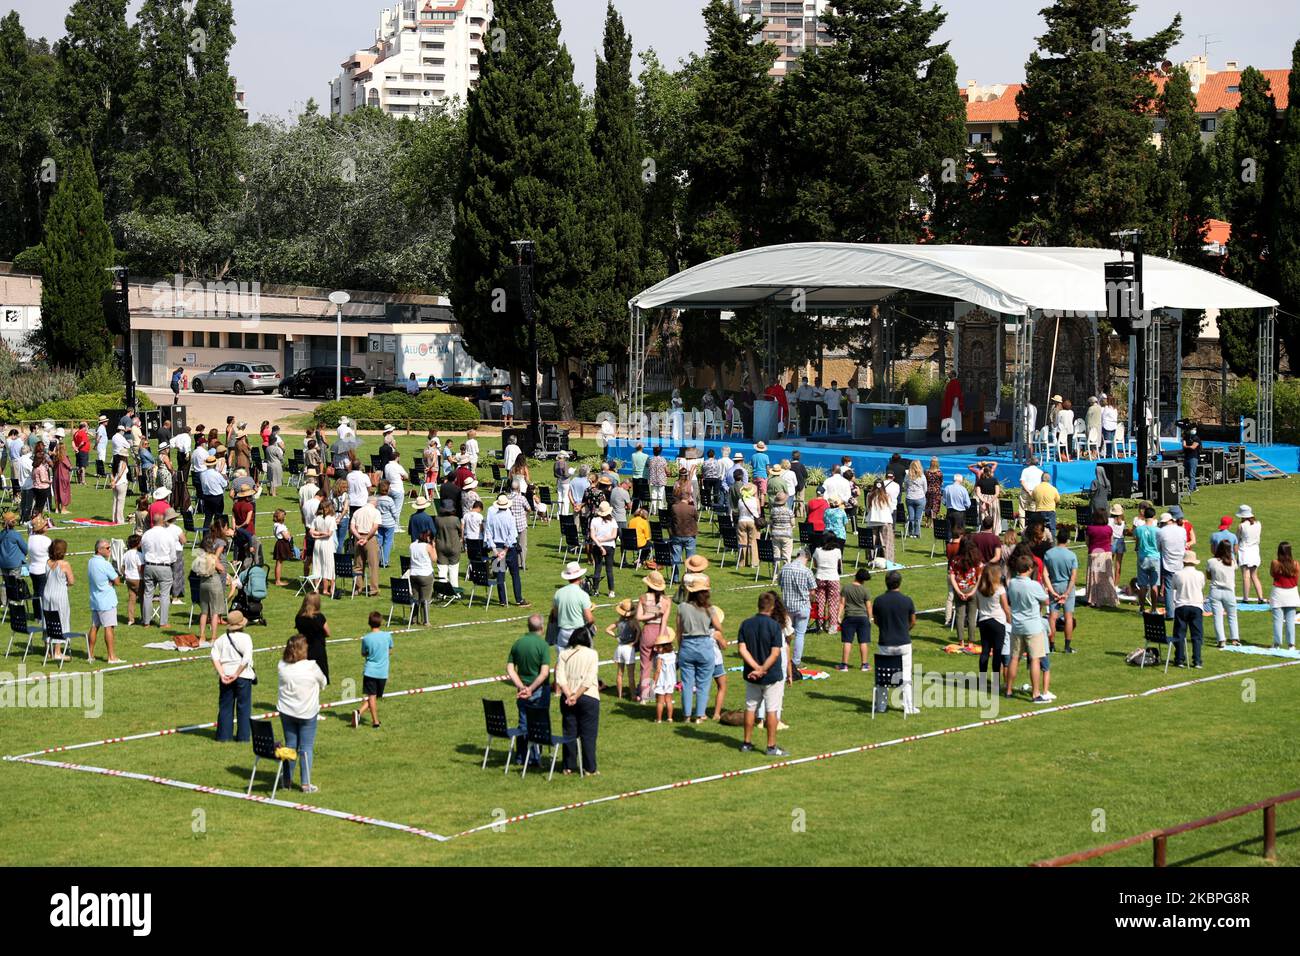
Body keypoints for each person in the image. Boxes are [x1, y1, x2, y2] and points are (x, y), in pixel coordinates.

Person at [738, 591, 787, 755]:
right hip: (771, 675)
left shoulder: (746, 624)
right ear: (772, 608)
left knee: (750, 708)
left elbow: (742, 649)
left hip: (752, 675)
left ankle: (746, 743)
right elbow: (775, 653)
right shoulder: (774, 626)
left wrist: (755, 668)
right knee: (771, 710)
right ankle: (771, 746)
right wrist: (762, 669)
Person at [277, 635, 327, 793]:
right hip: (306, 713)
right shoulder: (311, 666)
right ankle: (305, 784)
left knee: (290, 745)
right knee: (306, 747)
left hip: (286, 711)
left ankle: (287, 781)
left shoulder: (282, 665)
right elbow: (323, 682)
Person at [674, 575, 725, 724]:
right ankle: (699, 715)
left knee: (687, 683)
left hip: (687, 646)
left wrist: (681, 646)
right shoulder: (709, 609)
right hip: (704, 646)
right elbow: (719, 627)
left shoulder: (682, 607)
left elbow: (679, 631)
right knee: (703, 683)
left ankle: (686, 715)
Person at [506, 614, 551, 767]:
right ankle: (534, 759)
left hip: (522, 691)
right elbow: (544, 673)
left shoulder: (518, 643)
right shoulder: (543, 646)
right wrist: (531, 689)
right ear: (542, 628)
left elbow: (510, 669)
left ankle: (521, 757)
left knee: (523, 724)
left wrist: (521, 686)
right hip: (538, 690)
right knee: (538, 724)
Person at [1006, 555, 1051, 702]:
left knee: (1014, 658)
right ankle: (1035, 693)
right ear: (1029, 569)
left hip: (1017, 625)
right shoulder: (1033, 585)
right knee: (1035, 660)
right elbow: (1045, 600)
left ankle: (1008, 689)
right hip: (1032, 626)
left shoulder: (1012, 583)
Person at [871, 570, 918, 714]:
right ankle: (908, 707)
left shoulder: (879, 600)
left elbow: (876, 620)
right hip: (903, 642)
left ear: (886, 582)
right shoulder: (907, 600)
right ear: (900, 582)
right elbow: (913, 621)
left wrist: (886, 628)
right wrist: (904, 629)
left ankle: (881, 706)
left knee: (883, 676)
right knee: (906, 676)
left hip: (885, 642)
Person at [556, 627, 600, 773]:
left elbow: (560, 678)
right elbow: (589, 679)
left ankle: (568, 766)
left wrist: (569, 695)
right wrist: (577, 694)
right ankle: (590, 768)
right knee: (588, 735)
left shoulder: (563, 654)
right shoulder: (592, 654)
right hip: (588, 697)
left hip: (567, 698)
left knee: (569, 732)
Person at [212, 610, 256, 742]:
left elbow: (214, 657)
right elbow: (246, 658)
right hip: (243, 675)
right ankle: (243, 737)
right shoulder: (246, 638)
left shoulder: (221, 640)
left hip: (226, 675)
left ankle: (224, 736)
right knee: (244, 707)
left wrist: (222, 674)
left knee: (225, 706)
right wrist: (237, 674)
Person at [352, 611, 394, 729]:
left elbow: (363, 653)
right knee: (374, 696)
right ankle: (375, 721)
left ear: (369, 623)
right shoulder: (387, 635)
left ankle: (359, 713)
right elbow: (390, 650)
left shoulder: (366, 638)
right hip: (383, 672)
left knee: (373, 696)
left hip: (370, 671)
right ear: (380, 622)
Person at [86, 539, 123, 663]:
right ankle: (111, 656)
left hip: (95, 599)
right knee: (109, 627)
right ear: (99, 549)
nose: (109, 550)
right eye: (107, 548)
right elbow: (118, 581)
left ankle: (90, 654)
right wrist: (112, 580)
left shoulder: (91, 561)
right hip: (106, 600)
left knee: (94, 626)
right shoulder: (105, 564)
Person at [486, 494, 527, 607]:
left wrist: (494, 549)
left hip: (497, 545)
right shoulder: (510, 518)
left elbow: (488, 533)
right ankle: (518, 599)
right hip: (508, 548)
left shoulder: (493, 517)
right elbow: (512, 535)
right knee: (515, 575)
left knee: (499, 574)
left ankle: (502, 600)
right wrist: (505, 549)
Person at [1042, 526, 1079, 652]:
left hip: (1055, 585)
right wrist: (1068, 592)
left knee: (1052, 617)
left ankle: (1051, 646)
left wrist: (1051, 590)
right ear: (1068, 540)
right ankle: (1067, 647)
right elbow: (1073, 576)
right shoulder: (1072, 555)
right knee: (1068, 617)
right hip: (1067, 585)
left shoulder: (1049, 554)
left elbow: (1045, 574)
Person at [976, 563, 1011, 693]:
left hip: (984, 621)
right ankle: (996, 684)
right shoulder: (1000, 589)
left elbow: (979, 607)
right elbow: (1006, 608)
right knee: (997, 653)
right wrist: (1009, 620)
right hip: (998, 621)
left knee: (985, 651)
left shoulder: (980, 588)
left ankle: (982, 680)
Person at [636, 571, 669, 702]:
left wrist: (651, 615)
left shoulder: (643, 598)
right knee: (661, 665)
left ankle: (645, 696)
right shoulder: (666, 600)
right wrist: (660, 637)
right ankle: (662, 692)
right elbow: (664, 620)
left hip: (648, 631)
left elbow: (639, 617)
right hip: (662, 632)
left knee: (645, 665)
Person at [1171, 552, 1206, 667]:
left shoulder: (1178, 574)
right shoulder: (1200, 575)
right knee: (1196, 635)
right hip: (1196, 605)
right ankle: (1197, 660)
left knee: (1179, 634)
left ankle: (1179, 659)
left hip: (1181, 605)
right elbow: (1201, 586)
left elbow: (1174, 587)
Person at [41, 539, 74, 656]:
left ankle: (47, 650)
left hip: (47, 593)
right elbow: (71, 581)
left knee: (48, 620)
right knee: (61, 620)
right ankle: (57, 651)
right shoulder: (65, 564)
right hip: (59, 595)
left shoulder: (47, 562)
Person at [949, 538, 981, 650]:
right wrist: (973, 591)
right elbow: (979, 578)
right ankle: (971, 642)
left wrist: (958, 591)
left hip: (960, 590)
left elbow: (952, 576)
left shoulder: (955, 560)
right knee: (972, 617)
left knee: (960, 616)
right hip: (972, 589)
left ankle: (961, 641)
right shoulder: (976, 560)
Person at [553, 561, 594, 648]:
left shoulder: (558, 593)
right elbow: (590, 619)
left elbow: (555, 615)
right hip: (579, 633)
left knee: (563, 659)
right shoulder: (583, 595)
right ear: (579, 577)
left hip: (563, 632)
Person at [1208, 538, 1241, 649]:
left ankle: (1221, 640)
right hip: (1229, 592)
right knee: (1232, 615)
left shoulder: (1211, 561)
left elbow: (1208, 576)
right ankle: (1235, 639)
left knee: (1218, 616)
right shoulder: (1232, 562)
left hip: (1215, 591)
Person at [838, 568, 873, 671]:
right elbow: (869, 606)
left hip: (849, 617)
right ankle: (864, 665)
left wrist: (839, 616)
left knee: (847, 641)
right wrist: (870, 617)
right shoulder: (865, 590)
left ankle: (844, 665)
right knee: (863, 642)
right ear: (864, 580)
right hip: (863, 618)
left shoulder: (846, 588)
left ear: (856, 575)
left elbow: (842, 603)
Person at [607, 599, 641, 700]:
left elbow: (607, 629)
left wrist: (616, 636)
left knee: (619, 673)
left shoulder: (619, 621)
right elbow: (639, 631)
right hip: (628, 649)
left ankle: (620, 695)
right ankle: (633, 695)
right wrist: (635, 641)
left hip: (619, 647)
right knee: (631, 675)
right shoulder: (633, 622)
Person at [1085, 510, 1118, 610]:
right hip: (1106, 553)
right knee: (1107, 577)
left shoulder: (1090, 528)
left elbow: (1087, 542)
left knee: (1094, 577)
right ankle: (1110, 598)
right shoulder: (1109, 529)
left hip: (1094, 552)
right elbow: (1111, 541)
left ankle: (1094, 599)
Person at [350, 495, 382, 598]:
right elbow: (375, 526)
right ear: (374, 503)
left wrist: (359, 537)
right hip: (370, 538)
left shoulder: (357, 512)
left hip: (358, 538)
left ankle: (357, 588)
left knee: (358, 565)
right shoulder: (375, 512)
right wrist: (367, 538)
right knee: (373, 565)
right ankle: (374, 589)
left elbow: (352, 527)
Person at [1156, 511, 1185, 618]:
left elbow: (1158, 547)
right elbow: (1184, 543)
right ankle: (1181, 611)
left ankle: (1170, 613)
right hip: (1180, 561)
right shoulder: (1182, 530)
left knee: (1169, 588)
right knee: (1180, 587)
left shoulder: (1161, 532)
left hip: (1167, 562)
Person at [1269, 542, 1298, 650]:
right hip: (1291, 593)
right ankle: (1291, 645)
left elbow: (1272, 574)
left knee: (1278, 620)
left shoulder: (1275, 563)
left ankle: (1277, 644)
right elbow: (1296, 580)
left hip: (1278, 594)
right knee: (1290, 620)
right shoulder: (1295, 564)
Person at [1133, 505, 1161, 615]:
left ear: (1144, 516)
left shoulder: (1139, 529)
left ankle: (1142, 608)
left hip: (1143, 557)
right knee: (1154, 585)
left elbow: (1137, 542)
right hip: (1155, 557)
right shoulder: (1158, 530)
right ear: (1154, 516)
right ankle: (1154, 609)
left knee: (1142, 585)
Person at [812, 536, 842, 635]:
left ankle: (820, 625)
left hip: (820, 577)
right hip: (833, 578)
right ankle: (832, 627)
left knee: (820, 602)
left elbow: (815, 565)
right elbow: (839, 565)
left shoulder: (817, 550)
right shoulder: (837, 551)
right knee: (833, 603)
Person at [588, 500, 619, 597]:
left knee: (597, 568)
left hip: (597, 546)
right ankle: (611, 591)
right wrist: (604, 541)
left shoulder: (594, 520)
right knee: (609, 570)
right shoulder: (613, 521)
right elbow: (614, 536)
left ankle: (595, 589)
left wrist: (599, 543)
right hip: (609, 546)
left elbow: (592, 536)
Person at [1237, 505, 1265, 603]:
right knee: (1254, 575)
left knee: (1246, 576)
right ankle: (1260, 597)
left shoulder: (1241, 526)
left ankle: (1245, 598)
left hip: (1245, 551)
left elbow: (1237, 539)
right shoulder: (1258, 524)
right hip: (1254, 550)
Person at [1109, 504, 1128, 585]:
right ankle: (1116, 584)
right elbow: (1125, 532)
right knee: (1118, 564)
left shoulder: (1109, 520)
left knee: (1110, 564)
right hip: (1120, 541)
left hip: (1111, 541)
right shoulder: (1123, 522)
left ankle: (1110, 582)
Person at [1182, 426, 1203, 493]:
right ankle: (1195, 487)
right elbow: (1183, 445)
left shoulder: (1196, 438)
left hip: (1193, 458)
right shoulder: (1186, 437)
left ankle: (1190, 489)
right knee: (1189, 474)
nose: (1194, 430)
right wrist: (1188, 446)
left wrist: (1187, 446)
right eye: (1193, 429)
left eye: (1195, 429)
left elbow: (1193, 447)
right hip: (1187, 457)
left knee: (1192, 474)